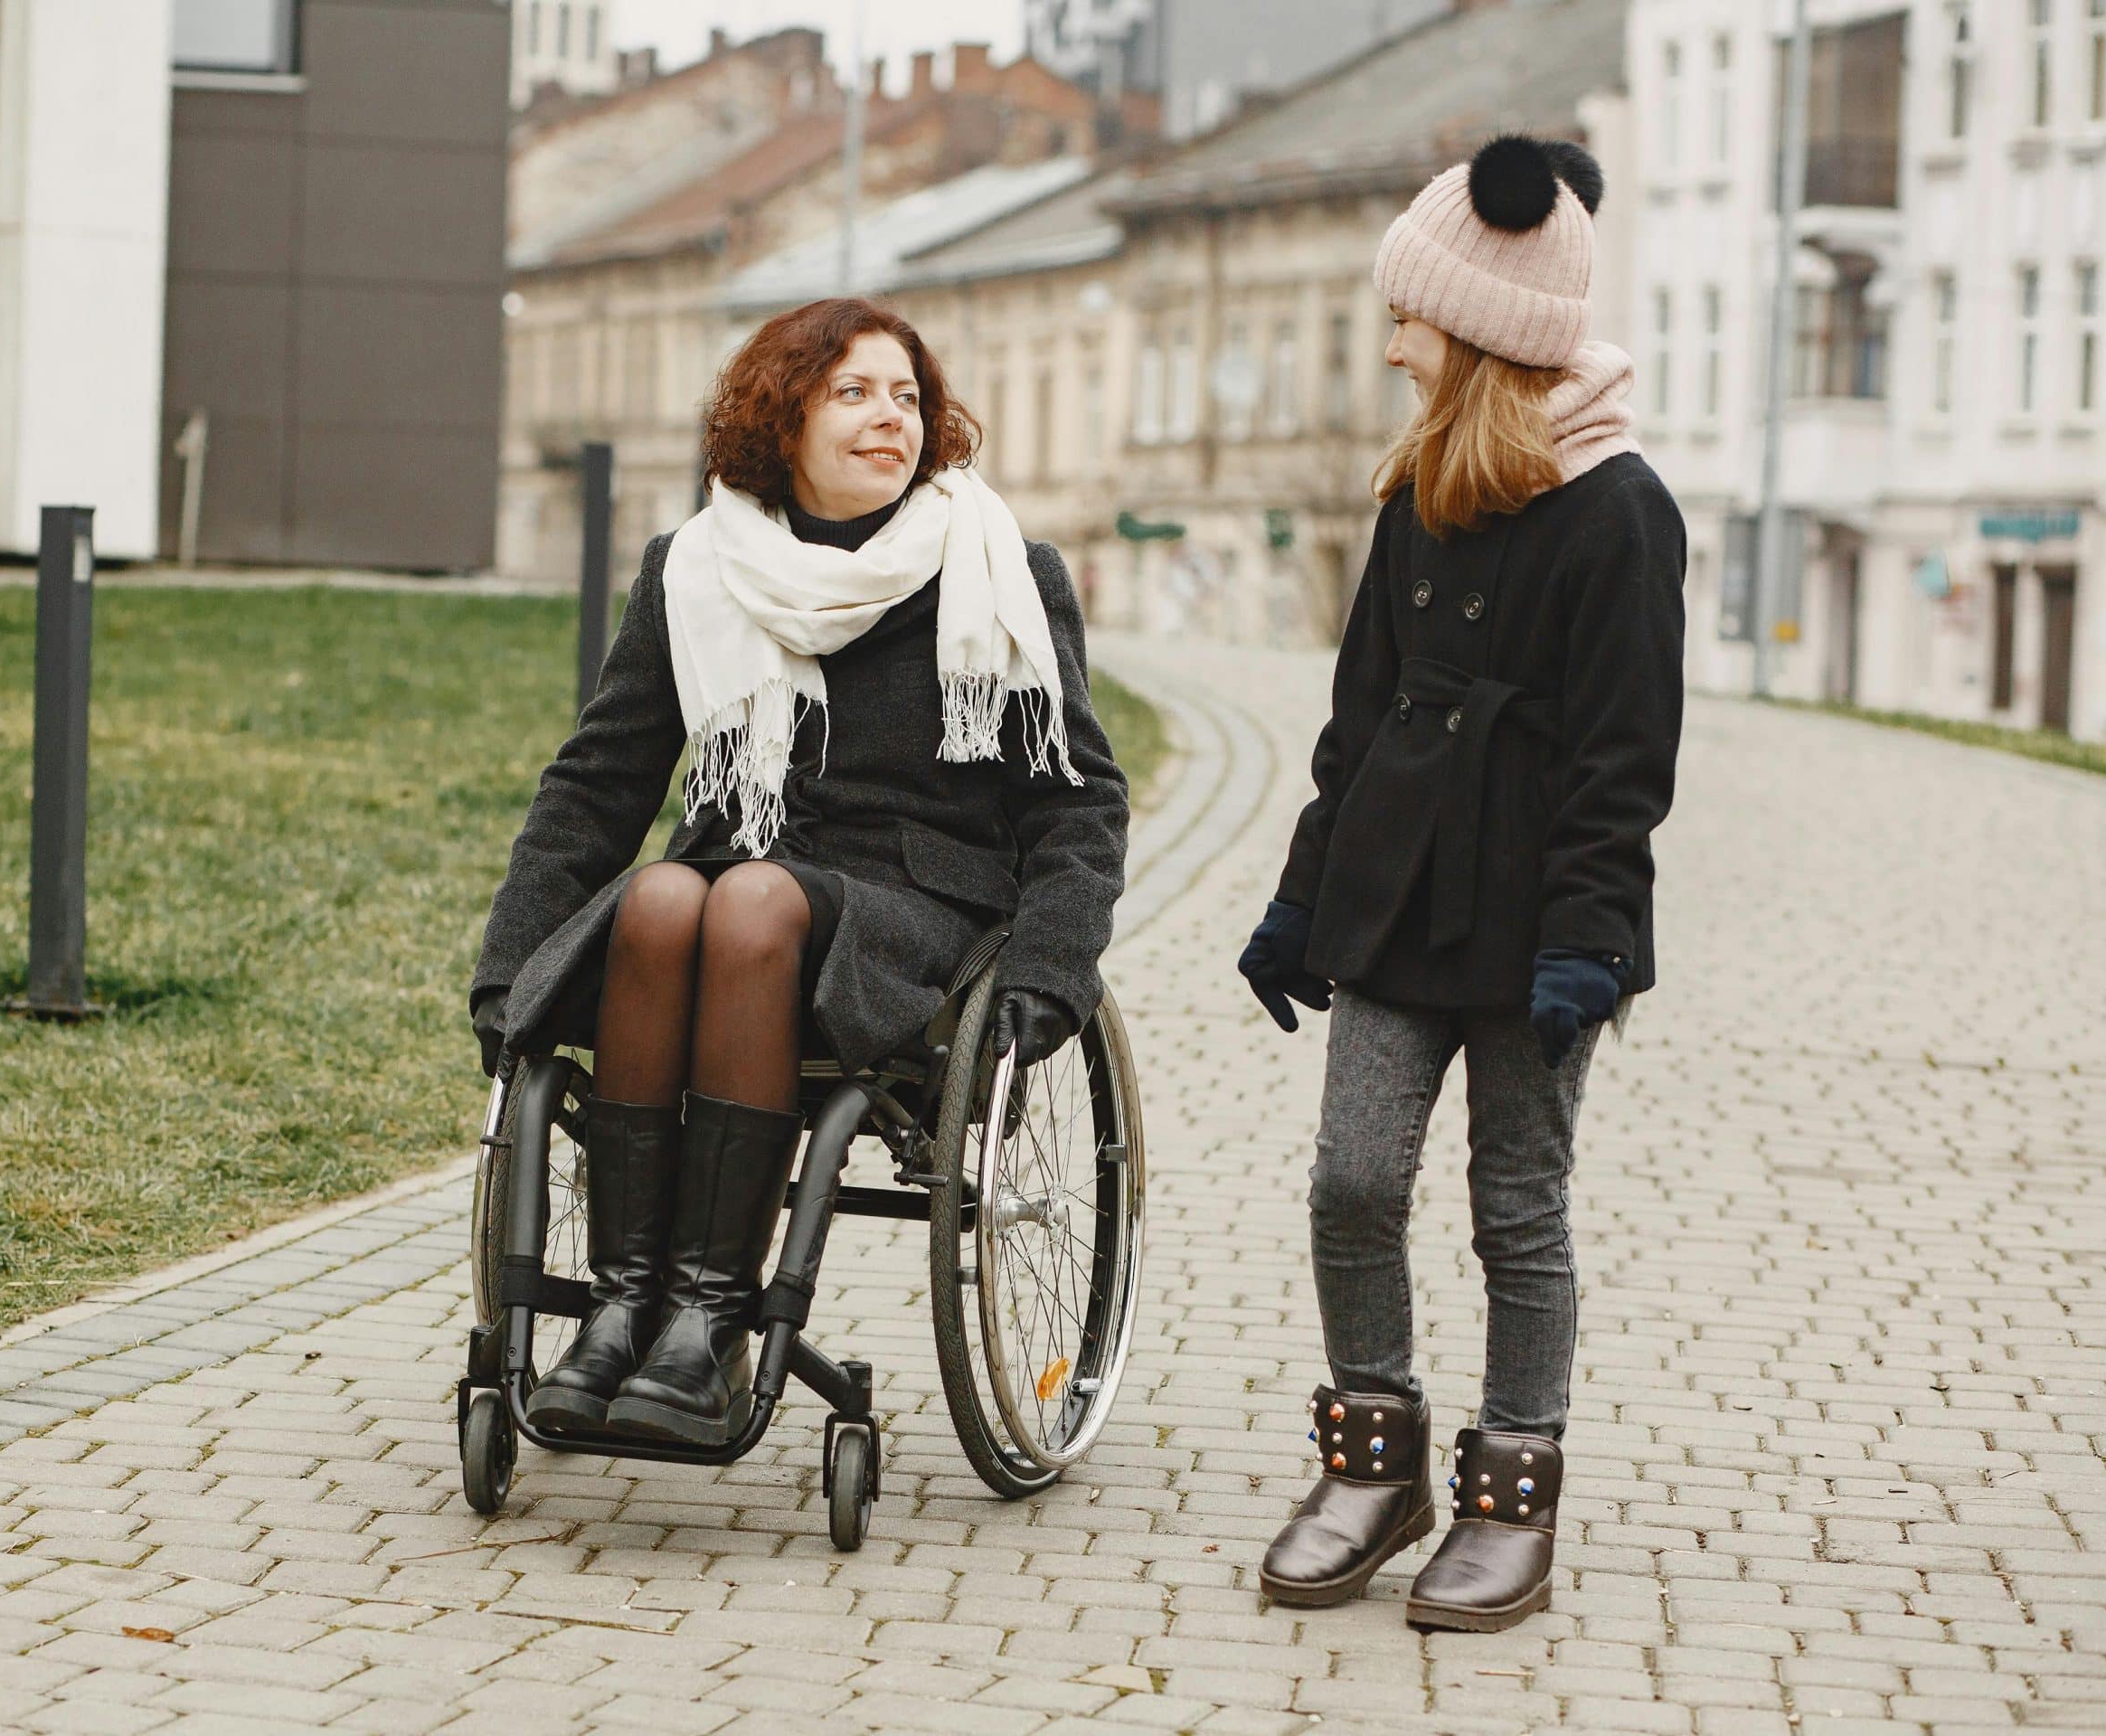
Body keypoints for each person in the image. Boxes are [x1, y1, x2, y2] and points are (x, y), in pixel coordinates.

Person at [469, 298, 1130, 1451]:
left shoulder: (996, 567)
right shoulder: (697, 568)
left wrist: (1054, 968)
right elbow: (600, 782)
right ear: (783, 418)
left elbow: (1076, 797)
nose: (892, 418)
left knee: (749, 895)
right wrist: (510, 962)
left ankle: (710, 1321)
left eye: (909, 397)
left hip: (917, 917)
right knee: (673, 890)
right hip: (727, 900)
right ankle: (626, 1310)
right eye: (856, 393)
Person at [1236, 136, 1686, 1632]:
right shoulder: (1415, 496)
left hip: (1540, 929)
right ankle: (1374, 1463)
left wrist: (1590, 950)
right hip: (1394, 909)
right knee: (1354, 1176)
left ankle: (1509, 1496)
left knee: (1517, 1207)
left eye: (1408, 315)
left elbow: (1624, 766)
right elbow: (1356, 730)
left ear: (1484, 324)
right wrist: (1303, 901)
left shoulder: (1620, 513)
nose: (1390, 343)